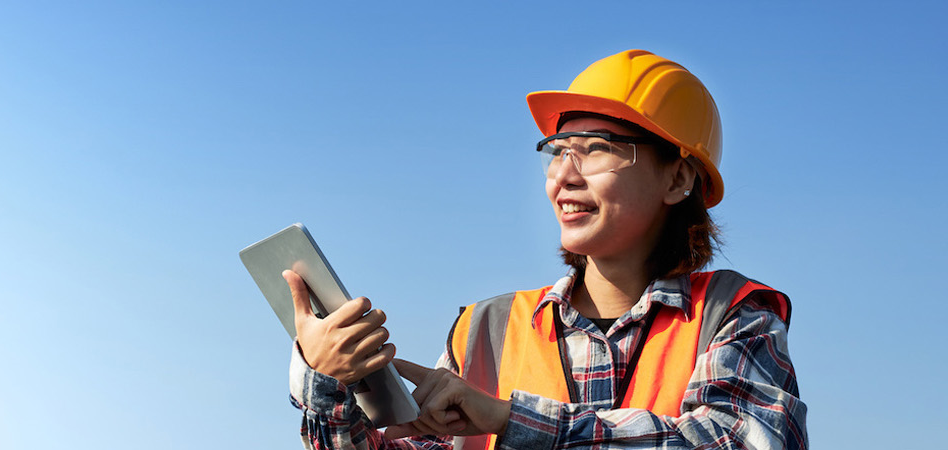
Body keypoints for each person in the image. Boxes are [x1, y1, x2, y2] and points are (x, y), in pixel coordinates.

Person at [284, 49, 807, 449]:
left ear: (678, 178)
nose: (564, 175)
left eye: (597, 148)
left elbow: (743, 439)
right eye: (558, 152)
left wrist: (511, 419)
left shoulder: (734, 316)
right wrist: (326, 380)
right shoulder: (485, 332)